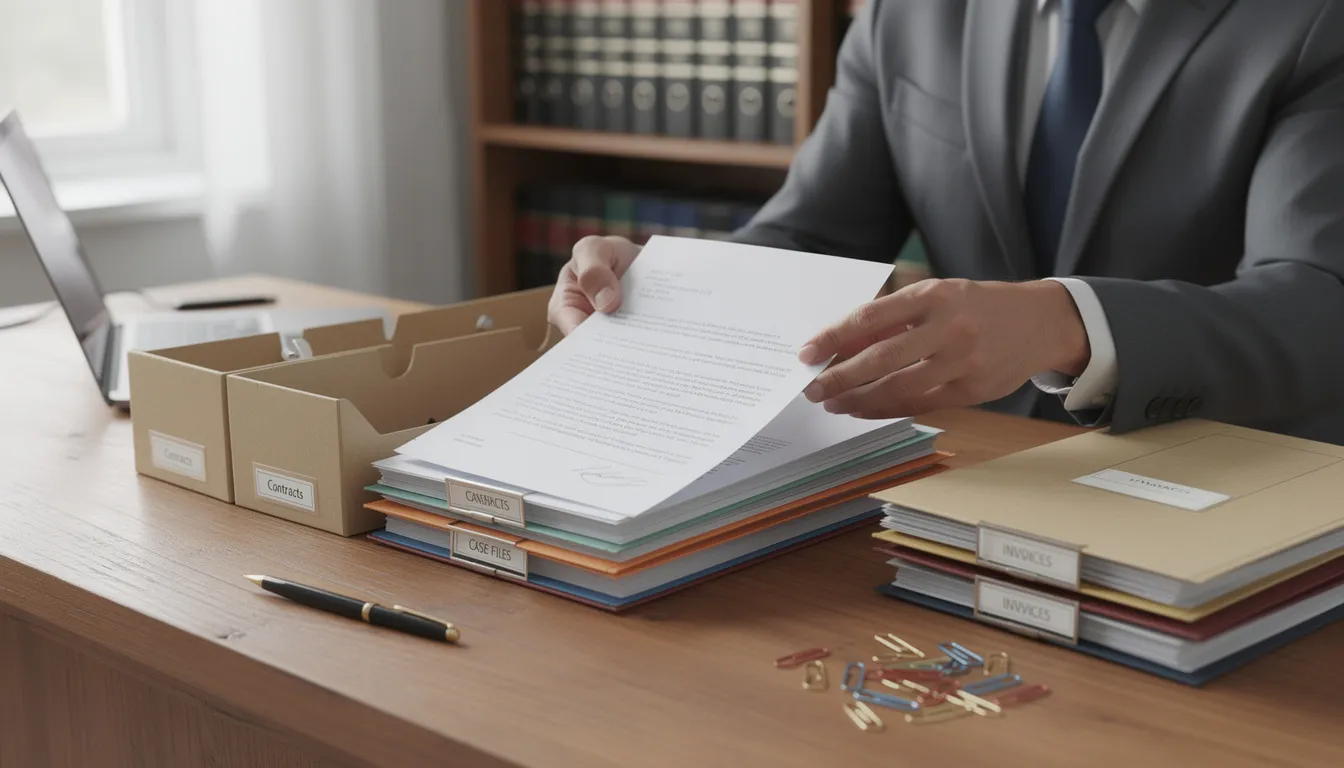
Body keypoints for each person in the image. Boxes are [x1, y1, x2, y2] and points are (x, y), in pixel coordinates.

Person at [547, 0, 1344, 444]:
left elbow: (1319, 301)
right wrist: (666, 289)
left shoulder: (1314, 20)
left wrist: (1065, 324)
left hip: (1224, 474)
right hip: (960, 470)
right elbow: (813, 239)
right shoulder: (907, 14)